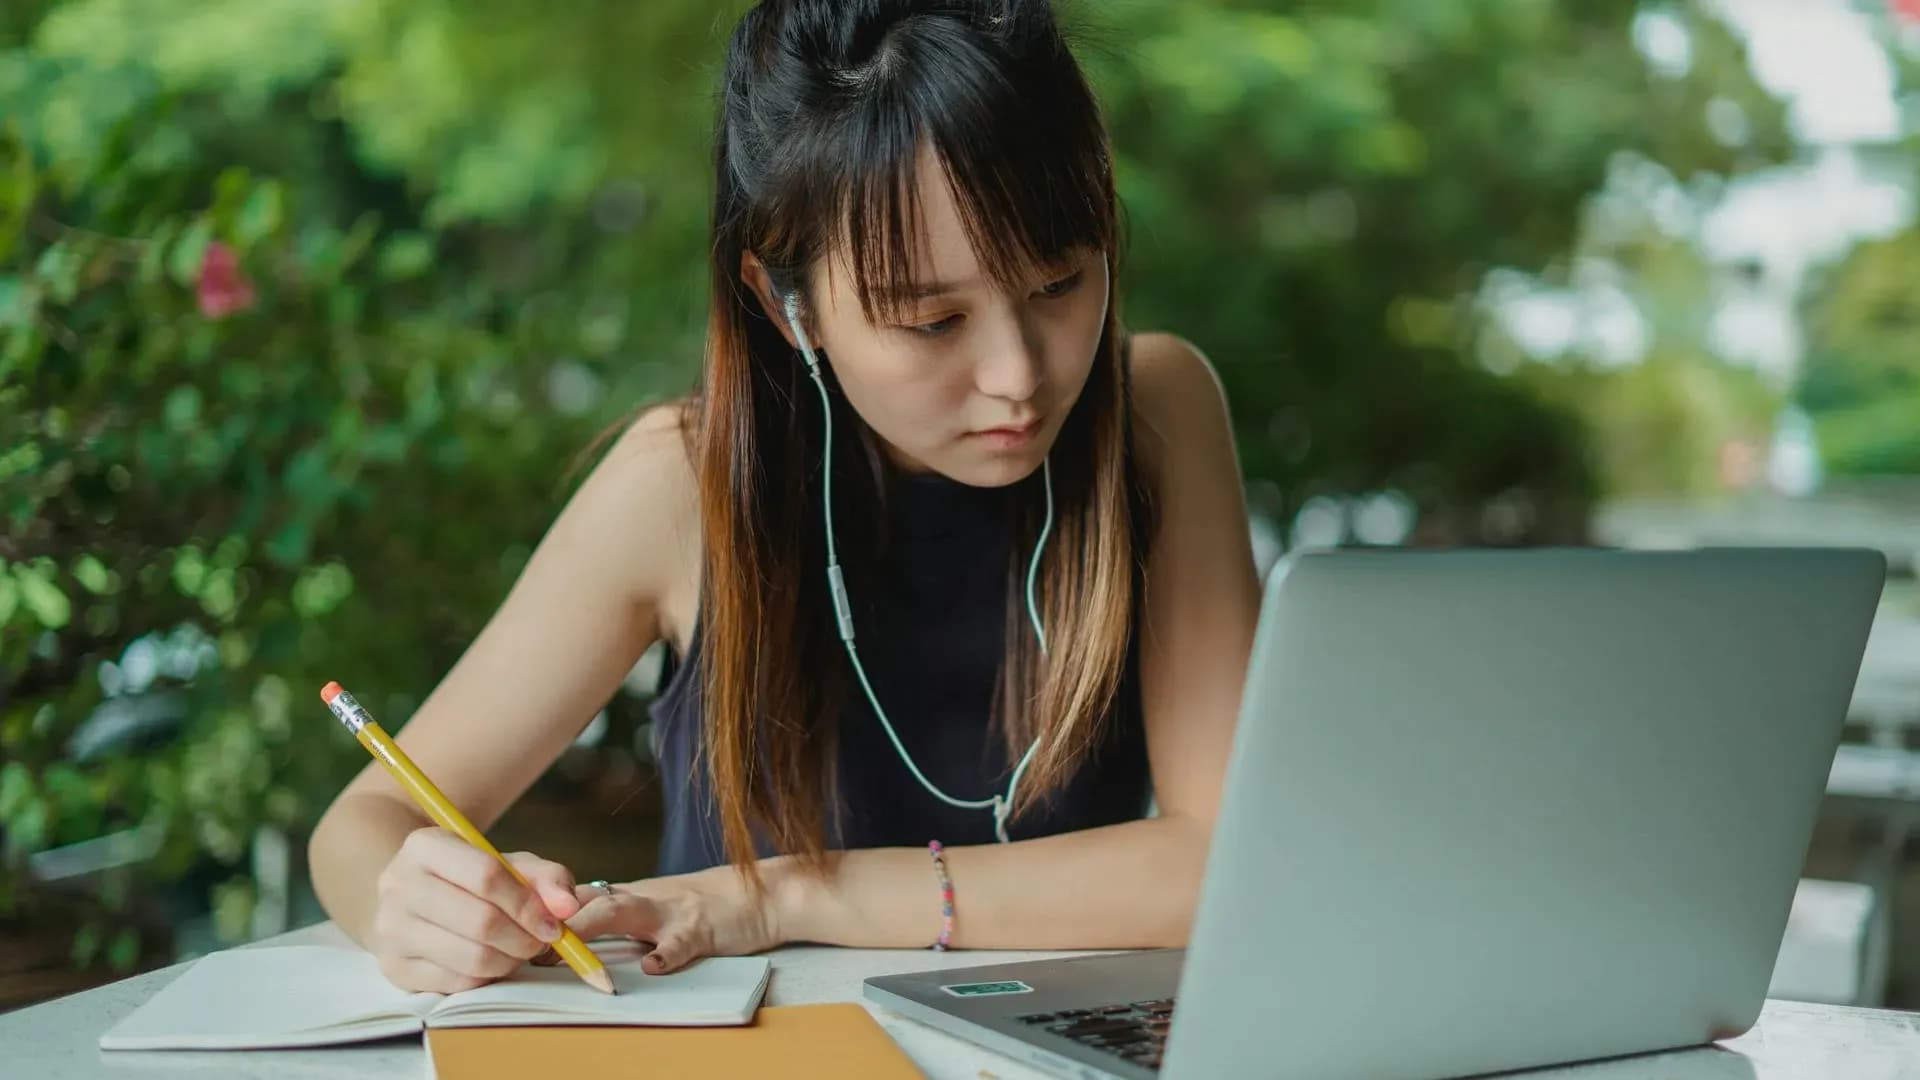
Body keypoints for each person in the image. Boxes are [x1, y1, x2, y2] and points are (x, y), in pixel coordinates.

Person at [308, 0, 1260, 995]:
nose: (1016, 375)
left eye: (1059, 284)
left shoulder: (1156, 413)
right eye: (934, 321)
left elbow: (1223, 864)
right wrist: (416, 908)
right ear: (784, 301)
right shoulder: (684, 485)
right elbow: (361, 826)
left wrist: (783, 897)